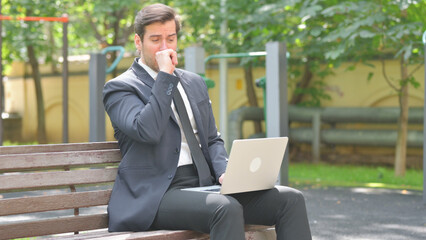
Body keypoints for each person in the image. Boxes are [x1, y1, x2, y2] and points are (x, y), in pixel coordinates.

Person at [103, 3, 312, 240]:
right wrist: (165, 77)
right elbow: (147, 130)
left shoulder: (194, 83)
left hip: (205, 184)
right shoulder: (121, 88)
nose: (164, 47)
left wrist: (225, 172)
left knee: (290, 199)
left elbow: (212, 138)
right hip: (156, 195)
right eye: (155, 40)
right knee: (225, 207)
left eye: (171, 39)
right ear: (138, 42)